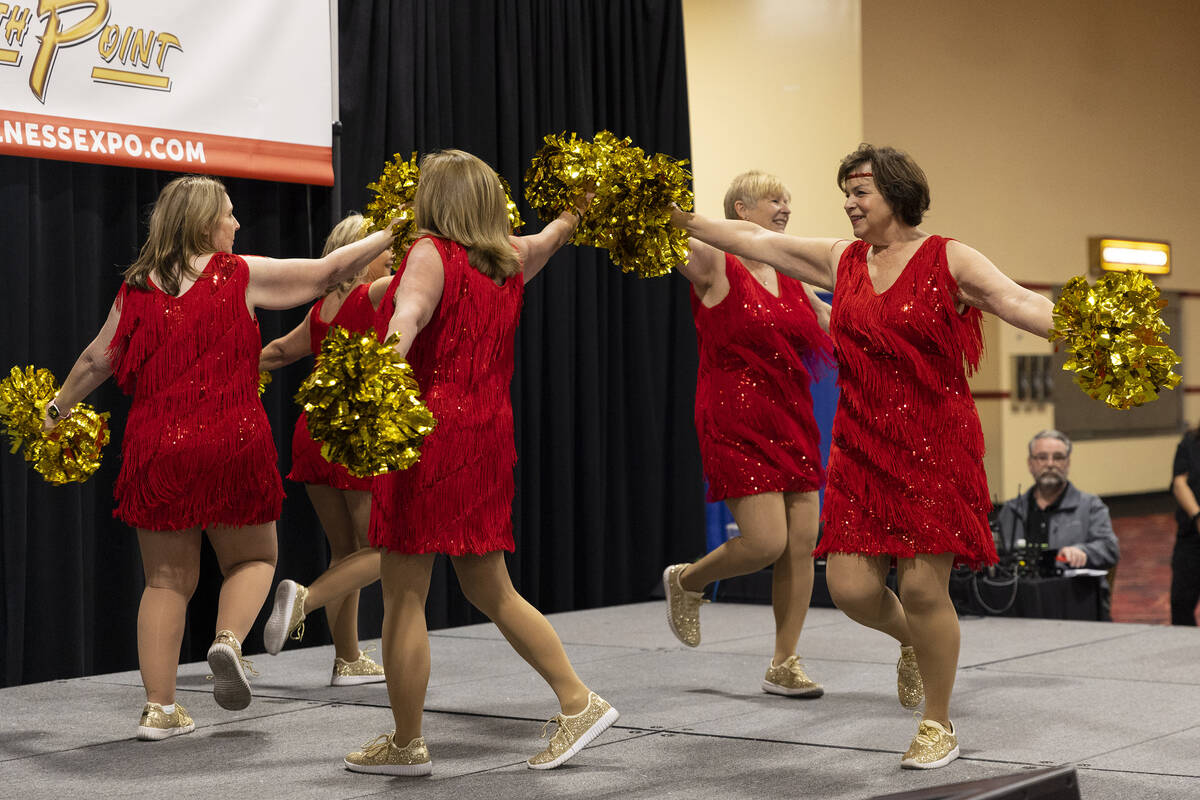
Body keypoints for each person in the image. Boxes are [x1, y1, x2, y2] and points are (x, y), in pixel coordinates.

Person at [670, 143, 1055, 769]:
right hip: (860, 445)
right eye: (845, 192)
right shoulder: (840, 260)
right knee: (849, 588)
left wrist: (1089, 329)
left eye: (861, 192)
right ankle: (913, 646)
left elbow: (1021, 302)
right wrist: (677, 218)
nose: (849, 203)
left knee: (926, 590)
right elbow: (750, 240)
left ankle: (937, 722)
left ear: (897, 194)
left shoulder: (948, 258)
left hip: (935, 445)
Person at [41, 175, 396, 741]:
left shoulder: (136, 286)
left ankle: (159, 710)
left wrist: (55, 412)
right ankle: (228, 641)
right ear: (207, 221)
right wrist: (393, 230)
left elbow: (94, 361)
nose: (236, 223)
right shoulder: (240, 274)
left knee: (163, 580)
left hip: (156, 448)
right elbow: (327, 272)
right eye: (228, 214)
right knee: (254, 559)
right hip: (232, 440)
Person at [341, 150, 617, 776]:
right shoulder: (511, 258)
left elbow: (408, 314)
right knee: (488, 584)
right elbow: (555, 233)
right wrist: (581, 204)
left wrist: (383, 368)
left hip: (428, 433)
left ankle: (407, 742)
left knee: (405, 592)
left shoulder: (431, 252)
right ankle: (577, 698)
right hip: (488, 433)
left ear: (436, 201)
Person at [662, 170, 833, 699]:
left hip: (793, 415)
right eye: (773, 200)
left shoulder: (792, 273)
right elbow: (665, 233)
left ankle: (785, 662)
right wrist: (639, 198)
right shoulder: (715, 259)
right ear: (741, 208)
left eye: (788, 199)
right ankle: (686, 581)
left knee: (801, 547)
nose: (785, 208)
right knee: (765, 542)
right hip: (734, 414)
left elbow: (833, 320)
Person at [259, 213, 393, 684]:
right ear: (360, 253)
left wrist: (219, 373)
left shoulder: (322, 307)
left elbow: (276, 353)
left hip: (314, 432)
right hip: (355, 432)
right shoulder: (375, 292)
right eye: (383, 245)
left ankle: (348, 659)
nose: (392, 253)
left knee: (345, 552)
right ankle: (305, 600)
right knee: (385, 549)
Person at [993, 429, 1119, 610]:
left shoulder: (1090, 506)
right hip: (1019, 602)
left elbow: (1110, 548)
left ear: (1067, 463)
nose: (1050, 464)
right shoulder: (1012, 510)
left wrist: (1083, 551)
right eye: (1042, 457)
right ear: (1030, 464)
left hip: (1074, 601)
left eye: (1058, 457)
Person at [1170, 425, 1200, 625]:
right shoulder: (1190, 443)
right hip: (1192, 535)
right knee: (1181, 602)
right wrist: (1197, 516)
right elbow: (1179, 483)